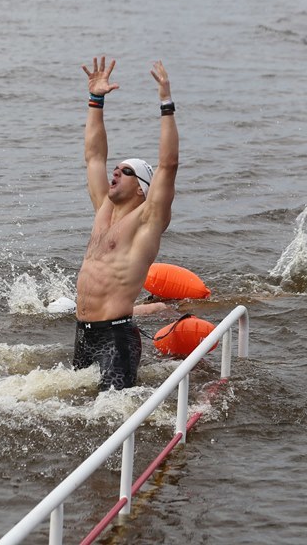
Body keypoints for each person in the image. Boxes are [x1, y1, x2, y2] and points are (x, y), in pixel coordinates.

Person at [73, 56, 179, 391]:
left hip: (116, 338)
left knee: (113, 415)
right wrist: (96, 99)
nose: (116, 172)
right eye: (117, 169)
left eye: (127, 171)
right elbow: (94, 157)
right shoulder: (103, 209)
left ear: (143, 189)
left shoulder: (148, 221)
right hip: (83, 334)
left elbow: (168, 164)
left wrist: (166, 102)